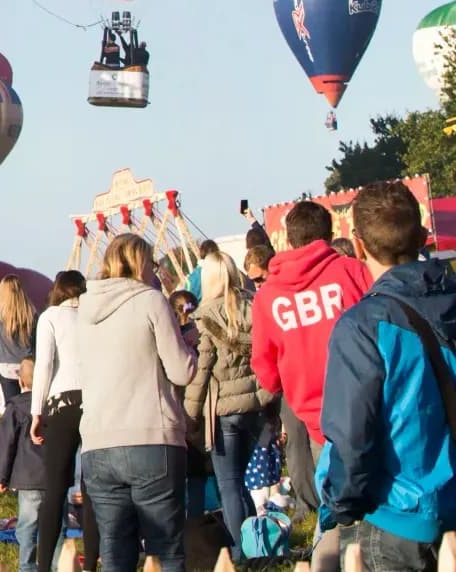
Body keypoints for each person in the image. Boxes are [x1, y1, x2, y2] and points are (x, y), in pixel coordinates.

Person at [319, 180, 456, 572]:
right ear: (424, 235)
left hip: (399, 515)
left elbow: (351, 437)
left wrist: (342, 504)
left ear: (358, 245)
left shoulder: (363, 326)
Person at [78, 232, 196, 572]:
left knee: (114, 548)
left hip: (98, 443)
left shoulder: (84, 310)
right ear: (142, 264)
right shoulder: (151, 301)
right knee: (165, 548)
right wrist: (191, 347)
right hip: (150, 436)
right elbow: (181, 371)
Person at [252, 200, 370, 522]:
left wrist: (284, 385)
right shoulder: (353, 272)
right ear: (329, 237)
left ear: (288, 241)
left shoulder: (267, 296)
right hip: (367, 408)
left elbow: (265, 368)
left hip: (314, 418)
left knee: (338, 513)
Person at [184, 249, 271, 548]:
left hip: (223, 410)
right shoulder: (254, 305)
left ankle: (241, 550)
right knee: (244, 480)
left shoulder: (206, 317)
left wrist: (189, 414)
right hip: (256, 405)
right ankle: (256, 543)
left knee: (229, 484)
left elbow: (204, 366)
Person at [31, 270, 98, 572]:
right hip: (97, 400)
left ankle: (44, 563)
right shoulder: (95, 315)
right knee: (93, 485)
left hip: (62, 402)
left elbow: (44, 364)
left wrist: (37, 411)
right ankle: (94, 560)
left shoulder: (51, 317)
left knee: (55, 488)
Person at [0, 359, 47, 572]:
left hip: (28, 477)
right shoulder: (53, 405)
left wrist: (1, 477)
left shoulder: (15, 408)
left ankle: (27, 566)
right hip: (54, 475)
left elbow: (6, 444)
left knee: (27, 525)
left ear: (19, 380)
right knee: (56, 526)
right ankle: (55, 564)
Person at [0, 275, 38, 389]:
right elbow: (36, 341)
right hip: (28, 364)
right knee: (30, 401)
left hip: (7, 365)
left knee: (11, 403)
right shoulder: (31, 312)